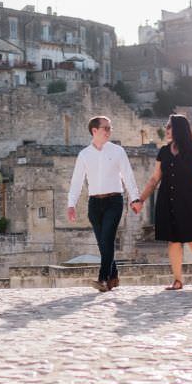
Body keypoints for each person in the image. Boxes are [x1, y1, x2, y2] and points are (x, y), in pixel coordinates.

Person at [131, 113, 192, 290]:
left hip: (191, 200)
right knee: (173, 241)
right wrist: (140, 199)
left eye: (169, 127)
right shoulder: (163, 151)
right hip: (168, 199)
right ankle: (178, 280)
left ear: (179, 129)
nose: (166, 130)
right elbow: (154, 178)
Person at [67, 116, 141, 292]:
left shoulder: (118, 151)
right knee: (103, 244)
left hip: (114, 201)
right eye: (105, 128)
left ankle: (102, 279)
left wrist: (135, 198)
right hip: (94, 204)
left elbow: (128, 176)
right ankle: (114, 276)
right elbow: (76, 180)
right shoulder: (84, 154)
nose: (109, 131)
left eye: (110, 128)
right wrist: (71, 204)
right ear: (95, 131)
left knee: (107, 239)